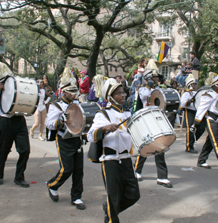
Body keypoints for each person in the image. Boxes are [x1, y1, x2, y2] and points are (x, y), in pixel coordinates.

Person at [87, 76, 140, 223]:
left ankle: (110, 208)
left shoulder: (128, 114)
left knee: (133, 195)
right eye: (119, 93)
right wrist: (104, 128)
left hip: (126, 160)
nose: (123, 95)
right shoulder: (103, 114)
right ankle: (111, 218)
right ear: (110, 98)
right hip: (110, 161)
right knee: (113, 196)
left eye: (123, 92)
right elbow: (90, 135)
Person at [0, 64, 30, 188]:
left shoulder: (15, 90)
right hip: (5, 122)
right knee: (3, 151)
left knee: (25, 150)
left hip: (19, 120)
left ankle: (19, 177)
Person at [45, 68, 86, 209]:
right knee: (67, 169)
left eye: (76, 91)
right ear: (64, 91)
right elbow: (49, 124)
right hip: (64, 139)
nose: (74, 94)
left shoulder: (78, 104)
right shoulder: (56, 106)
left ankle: (76, 197)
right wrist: (60, 121)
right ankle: (52, 185)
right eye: (71, 92)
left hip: (77, 139)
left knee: (79, 171)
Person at [134, 60, 173, 188]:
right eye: (154, 77)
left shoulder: (158, 89)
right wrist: (149, 87)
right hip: (146, 120)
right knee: (146, 146)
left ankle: (162, 177)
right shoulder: (142, 89)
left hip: (157, 120)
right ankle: (137, 171)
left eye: (156, 77)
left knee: (161, 147)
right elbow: (145, 97)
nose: (156, 79)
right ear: (148, 78)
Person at [195, 72, 218, 174]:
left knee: (210, 142)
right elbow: (202, 108)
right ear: (213, 86)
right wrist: (196, 122)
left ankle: (201, 160)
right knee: (217, 143)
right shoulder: (208, 95)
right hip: (211, 120)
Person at [180, 74, 202, 153]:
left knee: (201, 127)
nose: (195, 85)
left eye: (195, 84)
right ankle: (189, 146)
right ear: (189, 85)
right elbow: (182, 104)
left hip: (197, 112)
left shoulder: (198, 93)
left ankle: (193, 139)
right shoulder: (187, 93)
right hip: (190, 112)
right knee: (190, 129)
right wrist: (190, 101)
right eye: (193, 84)